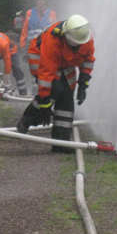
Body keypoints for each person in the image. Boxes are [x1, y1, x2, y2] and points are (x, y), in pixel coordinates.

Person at [16, 15, 95, 153]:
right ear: (65, 35)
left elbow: (88, 61)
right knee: (54, 90)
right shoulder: (53, 40)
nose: (76, 45)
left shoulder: (85, 39)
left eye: (78, 43)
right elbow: (46, 73)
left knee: (67, 97)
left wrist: (83, 85)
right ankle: (27, 119)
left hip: (65, 63)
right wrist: (45, 102)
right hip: (40, 58)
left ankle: (61, 142)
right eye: (73, 42)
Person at [20, 0, 57, 95]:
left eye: (42, 0)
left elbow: (55, 31)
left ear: (45, 0)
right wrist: (23, 46)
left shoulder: (52, 14)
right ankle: (35, 90)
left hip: (46, 48)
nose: (40, 2)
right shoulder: (29, 13)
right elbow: (25, 30)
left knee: (45, 69)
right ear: (35, 1)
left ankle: (43, 90)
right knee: (34, 69)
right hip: (32, 48)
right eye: (38, 0)